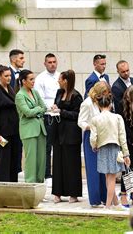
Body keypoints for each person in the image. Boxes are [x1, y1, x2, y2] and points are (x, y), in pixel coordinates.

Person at [90, 94, 130, 210]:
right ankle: (111, 205)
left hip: (102, 148)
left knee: (108, 177)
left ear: (98, 105)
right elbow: (122, 137)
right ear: (111, 104)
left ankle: (111, 205)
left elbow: (93, 137)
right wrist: (126, 153)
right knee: (111, 177)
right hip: (115, 148)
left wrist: (94, 145)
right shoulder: (117, 117)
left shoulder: (95, 119)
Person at [51, 70, 83, 203]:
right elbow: (57, 105)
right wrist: (54, 107)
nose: (58, 80)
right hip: (59, 132)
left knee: (71, 164)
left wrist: (62, 112)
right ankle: (57, 192)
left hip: (71, 133)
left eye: (60, 78)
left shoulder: (76, 96)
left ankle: (73, 193)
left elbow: (77, 115)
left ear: (66, 81)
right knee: (58, 163)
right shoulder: (59, 93)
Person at [78, 82, 109, 207]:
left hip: (103, 136)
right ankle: (95, 199)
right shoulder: (87, 103)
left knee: (103, 168)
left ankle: (105, 196)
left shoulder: (101, 102)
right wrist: (90, 127)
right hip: (90, 135)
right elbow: (80, 121)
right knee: (93, 169)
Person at [0, 65, 20, 182]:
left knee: (14, 158)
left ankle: (13, 184)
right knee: (4, 159)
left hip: (14, 130)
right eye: (6, 76)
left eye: (10, 76)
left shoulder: (11, 89)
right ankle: (1, 184)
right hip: (3, 132)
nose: (8, 78)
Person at [15, 70, 47, 183]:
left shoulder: (35, 92)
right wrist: (38, 109)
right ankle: (30, 183)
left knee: (41, 159)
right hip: (28, 131)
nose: (33, 81)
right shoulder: (20, 95)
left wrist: (37, 110)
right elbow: (28, 112)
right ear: (23, 81)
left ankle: (39, 183)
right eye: (31, 79)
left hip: (40, 129)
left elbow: (44, 107)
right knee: (31, 159)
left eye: (34, 79)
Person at [34, 53, 60, 183]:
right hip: (48, 115)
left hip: (60, 114)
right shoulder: (40, 78)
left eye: (54, 62)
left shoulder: (60, 76)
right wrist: (51, 107)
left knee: (59, 145)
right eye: (49, 62)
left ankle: (59, 172)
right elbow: (40, 99)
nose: (52, 64)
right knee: (47, 146)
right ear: (45, 64)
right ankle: (47, 174)